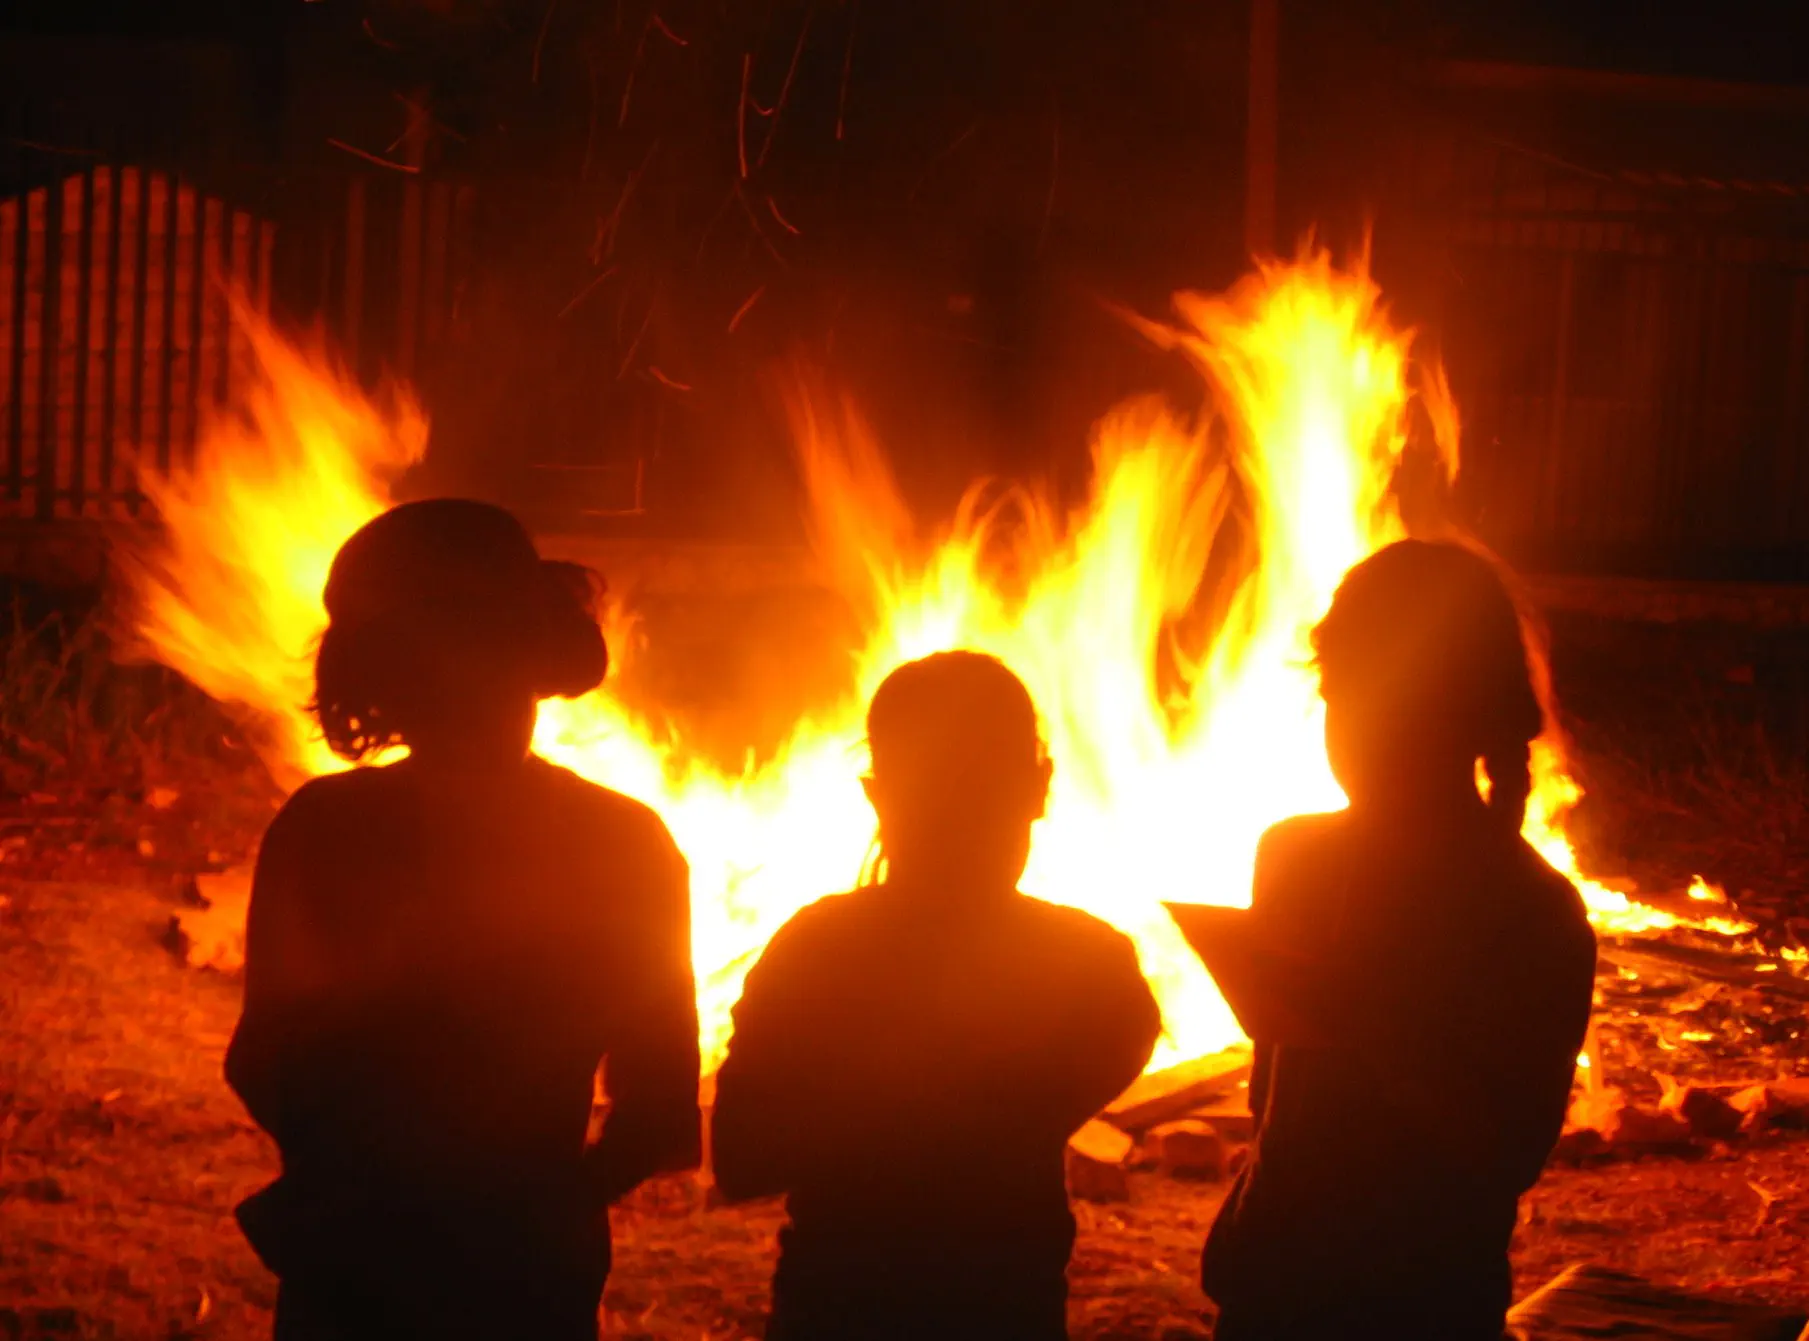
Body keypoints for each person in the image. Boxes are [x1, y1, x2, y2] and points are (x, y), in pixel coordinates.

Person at [225, 499, 701, 1341]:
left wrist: (366, 1177)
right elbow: (658, 1111)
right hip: (527, 1280)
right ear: (532, 653)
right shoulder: (623, 841)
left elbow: (263, 1061)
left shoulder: (324, 828)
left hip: (353, 1265)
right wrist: (547, 1203)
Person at [1198, 539, 1598, 1341]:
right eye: (1338, 697)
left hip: (1417, 1298)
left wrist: (1372, 1023)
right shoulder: (1294, 855)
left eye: (1382, 703)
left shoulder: (1528, 911)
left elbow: (1505, 1151)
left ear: (1457, 716)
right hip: (1272, 1282)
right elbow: (1275, 1092)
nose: (1350, 729)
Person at [711, 651, 1162, 1341]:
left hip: (839, 1309)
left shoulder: (816, 951)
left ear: (877, 794)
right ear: (1039, 787)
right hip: (1000, 1309)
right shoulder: (1091, 967)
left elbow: (743, 1157)